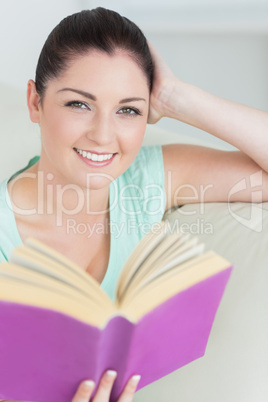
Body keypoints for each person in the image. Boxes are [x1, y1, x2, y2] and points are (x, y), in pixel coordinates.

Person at [0, 6, 268, 402]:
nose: (104, 135)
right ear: (35, 103)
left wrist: (177, 98)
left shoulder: (145, 181)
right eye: (80, 104)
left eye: (128, 110)